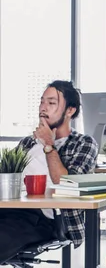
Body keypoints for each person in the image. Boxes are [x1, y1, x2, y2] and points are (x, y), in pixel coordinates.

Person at [0, 80, 98, 264]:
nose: (43, 108)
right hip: (7, 209)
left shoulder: (83, 143)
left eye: (51, 103)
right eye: (42, 101)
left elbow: (68, 184)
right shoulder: (27, 143)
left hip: (42, 219)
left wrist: (48, 145)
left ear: (70, 111)